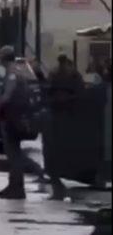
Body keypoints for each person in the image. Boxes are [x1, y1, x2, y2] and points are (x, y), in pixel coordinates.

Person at [45, 53, 85, 200]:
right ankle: (59, 181)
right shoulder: (73, 75)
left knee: (57, 149)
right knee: (59, 149)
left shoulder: (59, 74)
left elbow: (47, 91)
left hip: (62, 114)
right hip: (65, 114)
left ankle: (58, 182)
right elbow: (81, 94)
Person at [0, 46, 31, 200]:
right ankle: (13, 186)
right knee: (14, 153)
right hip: (18, 116)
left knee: (13, 154)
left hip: (11, 117)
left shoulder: (12, 74)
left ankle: (16, 188)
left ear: (3, 59)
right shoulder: (20, 71)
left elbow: (7, 97)